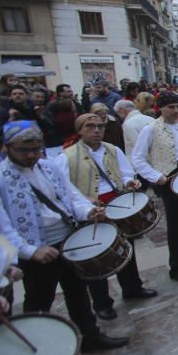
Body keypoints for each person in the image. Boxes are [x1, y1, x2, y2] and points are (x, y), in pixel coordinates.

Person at [0, 121, 129, 351]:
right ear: (6, 148)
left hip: (67, 239)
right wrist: (31, 251)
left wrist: (88, 211)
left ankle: (89, 336)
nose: (31, 155)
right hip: (36, 250)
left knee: (78, 293)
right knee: (39, 301)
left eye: (36, 149)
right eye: (23, 150)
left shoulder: (47, 166)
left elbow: (71, 197)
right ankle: (36, 348)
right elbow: (0, 229)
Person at [53, 113, 157, 320]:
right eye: (90, 126)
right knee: (96, 257)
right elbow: (63, 189)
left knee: (125, 247)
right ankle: (101, 302)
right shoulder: (65, 157)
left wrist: (130, 182)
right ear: (80, 130)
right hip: (90, 210)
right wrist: (85, 205)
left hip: (117, 204)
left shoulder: (113, 149)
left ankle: (132, 287)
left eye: (100, 126)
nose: (97, 130)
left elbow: (126, 172)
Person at [131, 92, 178, 283]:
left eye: (177, 106)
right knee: (177, 224)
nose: (175, 111)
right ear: (161, 109)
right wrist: (156, 177)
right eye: (170, 107)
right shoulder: (150, 129)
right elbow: (137, 159)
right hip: (168, 180)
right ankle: (177, 267)